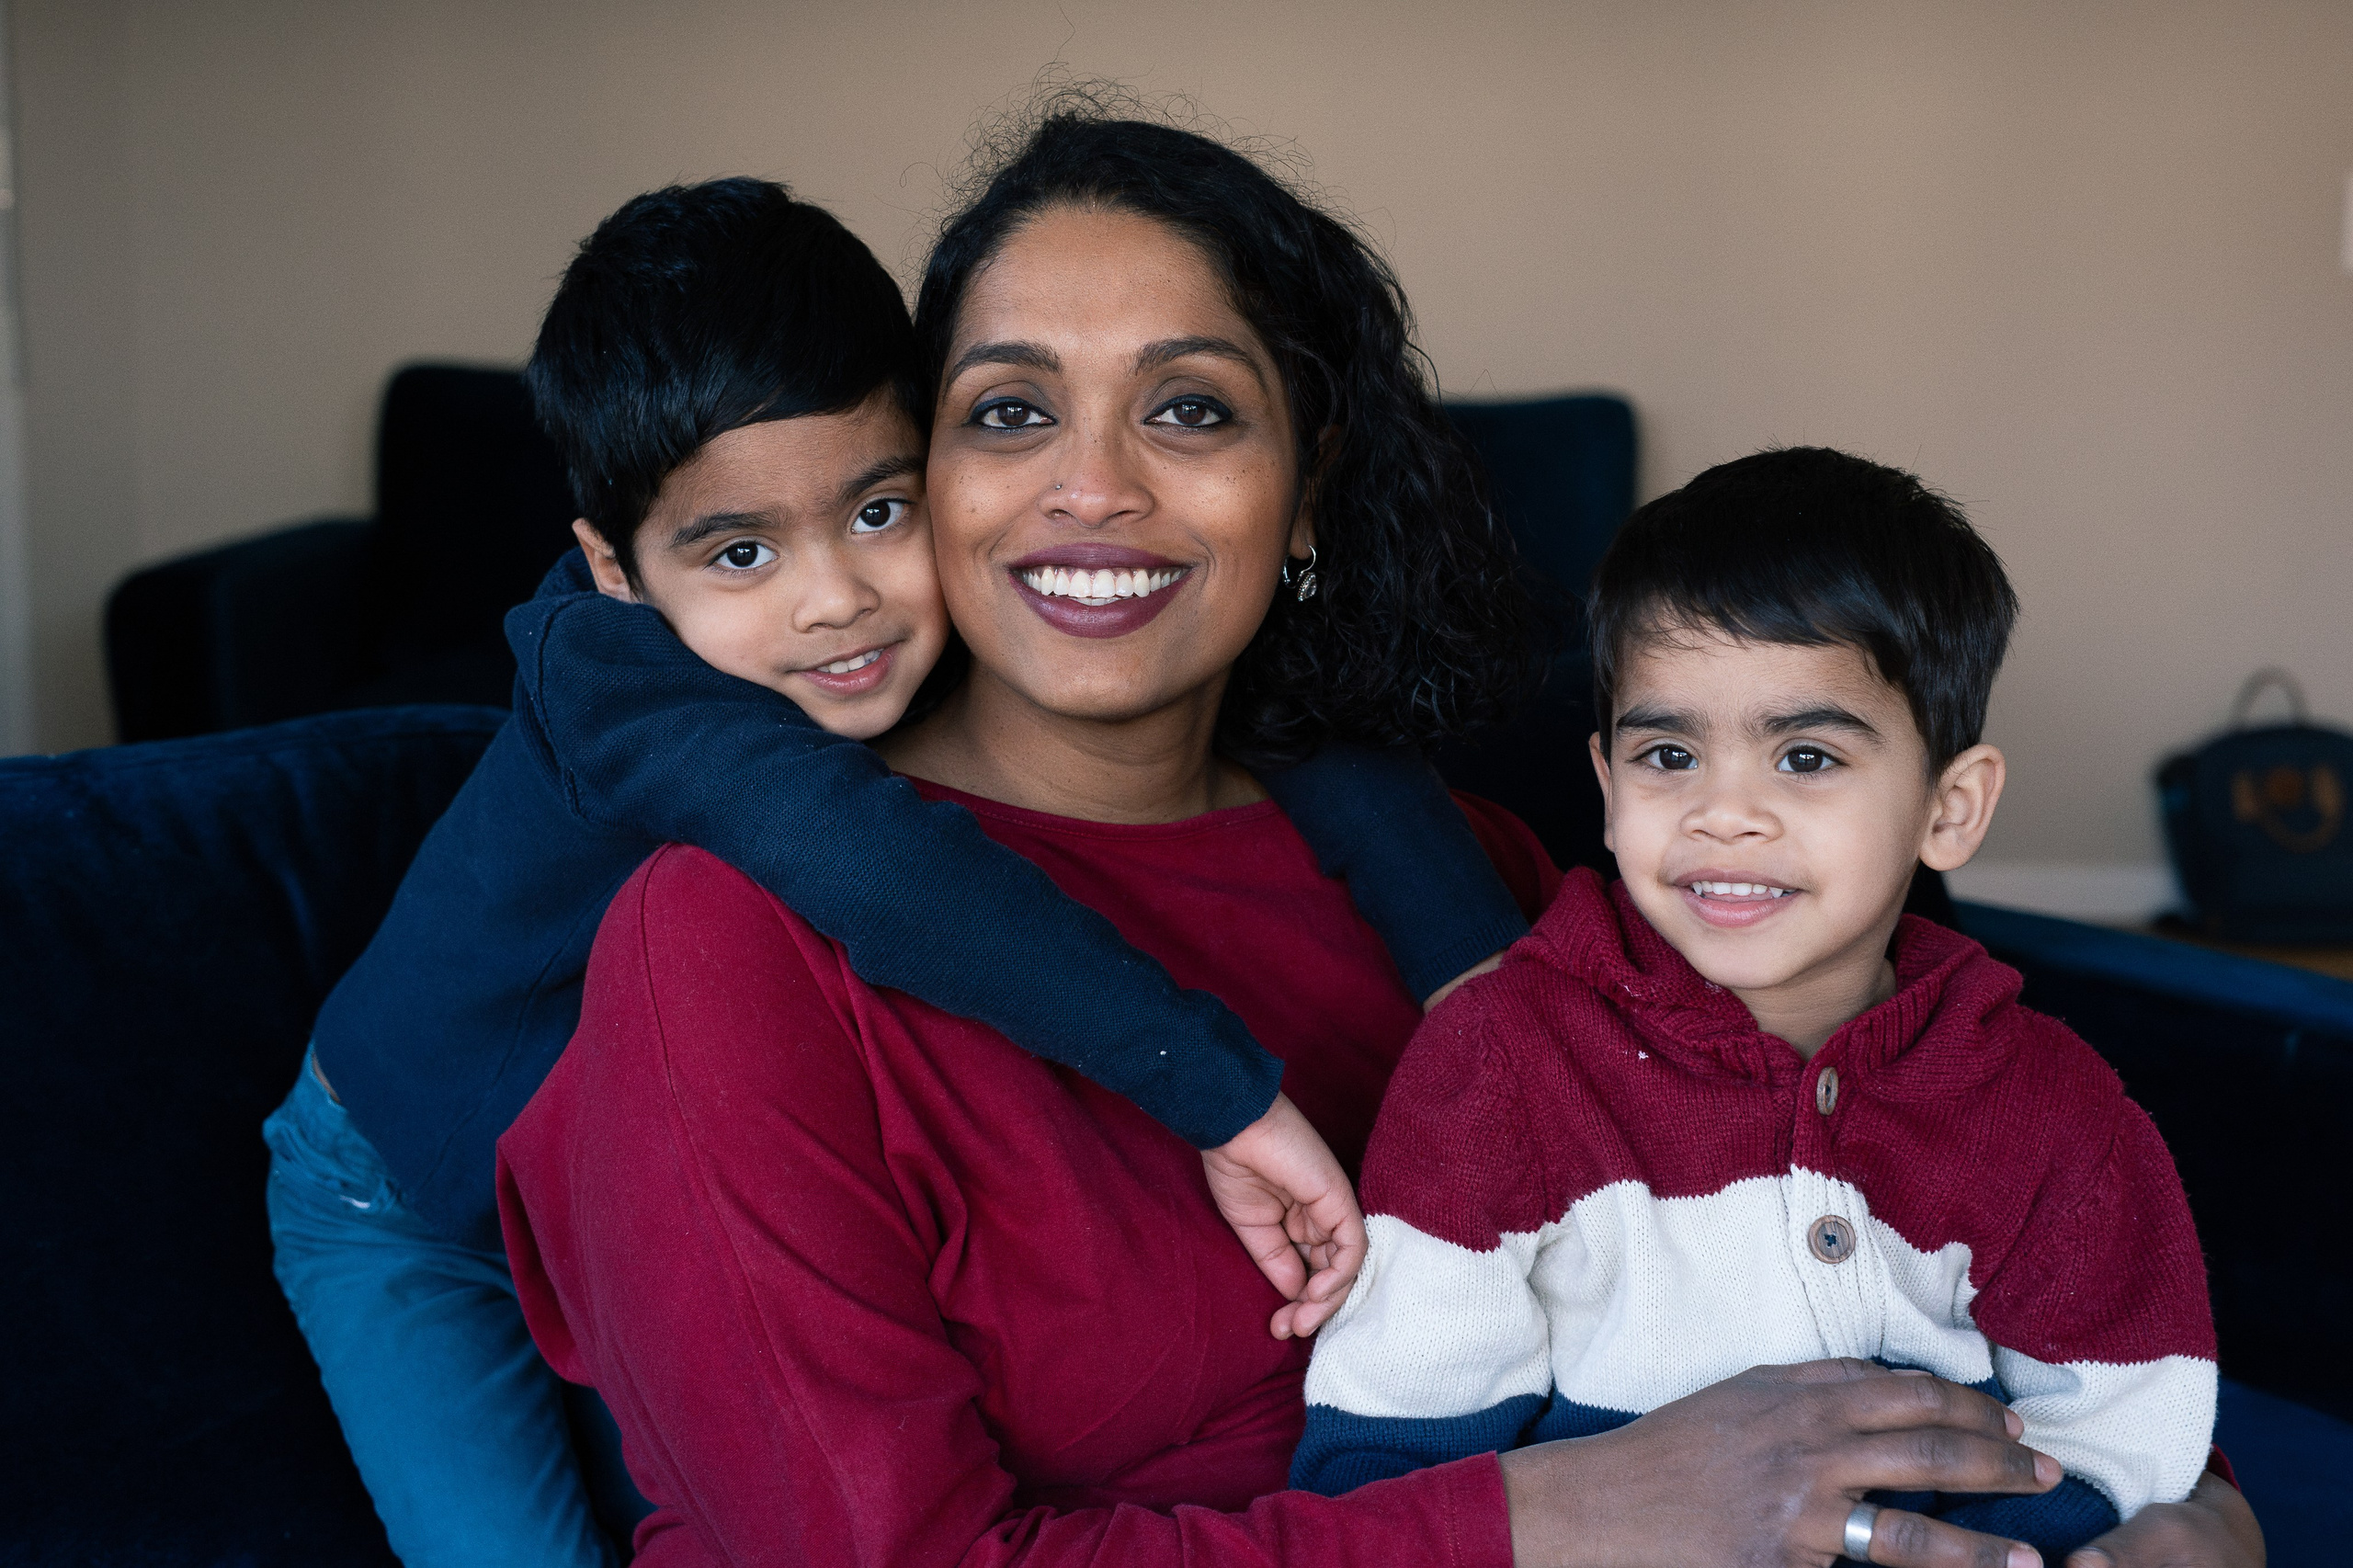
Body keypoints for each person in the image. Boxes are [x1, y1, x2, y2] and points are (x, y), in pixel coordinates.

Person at [491, 112, 2268, 1568]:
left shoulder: (1473, 883)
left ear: (1307, 482)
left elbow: (1895, 1202)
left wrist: (2180, 1520)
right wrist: (1564, 1513)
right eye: (1010, 409)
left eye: (1190, 407)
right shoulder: (728, 943)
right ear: (924, 474)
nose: (1091, 483)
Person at [264, 177, 1532, 1568]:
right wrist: (1220, 1088)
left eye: (876, 510)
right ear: (611, 570)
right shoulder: (620, 682)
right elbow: (879, 867)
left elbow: (1326, 749)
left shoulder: (1288, 740)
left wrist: (1506, 1009)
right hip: (391, 1191)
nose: (834, 598)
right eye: (742, 550)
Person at [1290, 448, 2219, 1563]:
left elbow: (2125, 1432)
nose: (1723, 812)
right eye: (1670, 753)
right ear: (1605, 786)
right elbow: (1394, 1464)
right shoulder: (1495, 1065)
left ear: (1950, 807)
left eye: (1807, 754)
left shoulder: (2052, 1103)